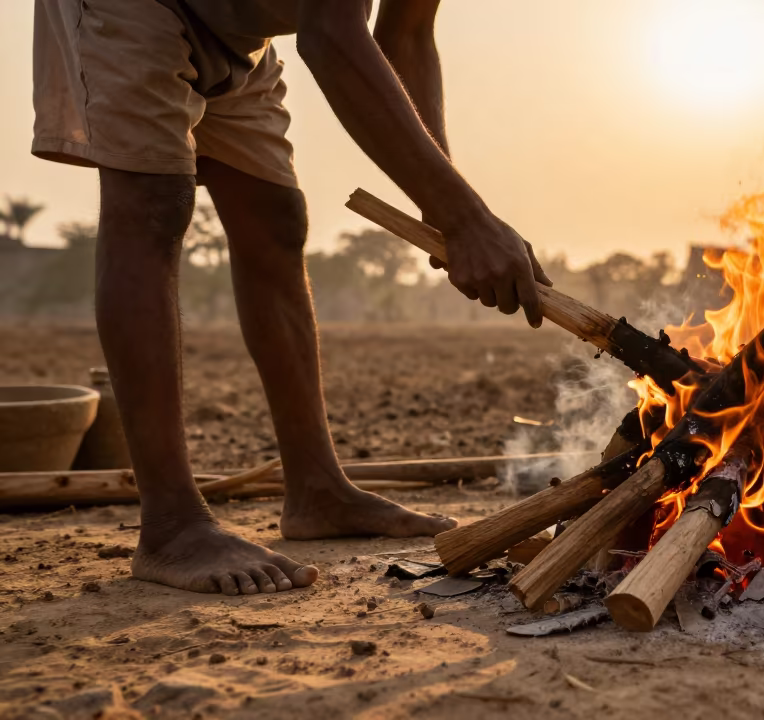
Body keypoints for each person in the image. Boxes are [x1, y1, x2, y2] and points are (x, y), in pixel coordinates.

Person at [30, 0, 551, 595]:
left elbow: (404, 36)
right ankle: (171, 523)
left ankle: (316, 489)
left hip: (236, 26)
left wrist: (444, 207)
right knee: (152, 204)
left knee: (275, 218)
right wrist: (466, 218)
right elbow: (330, 37)